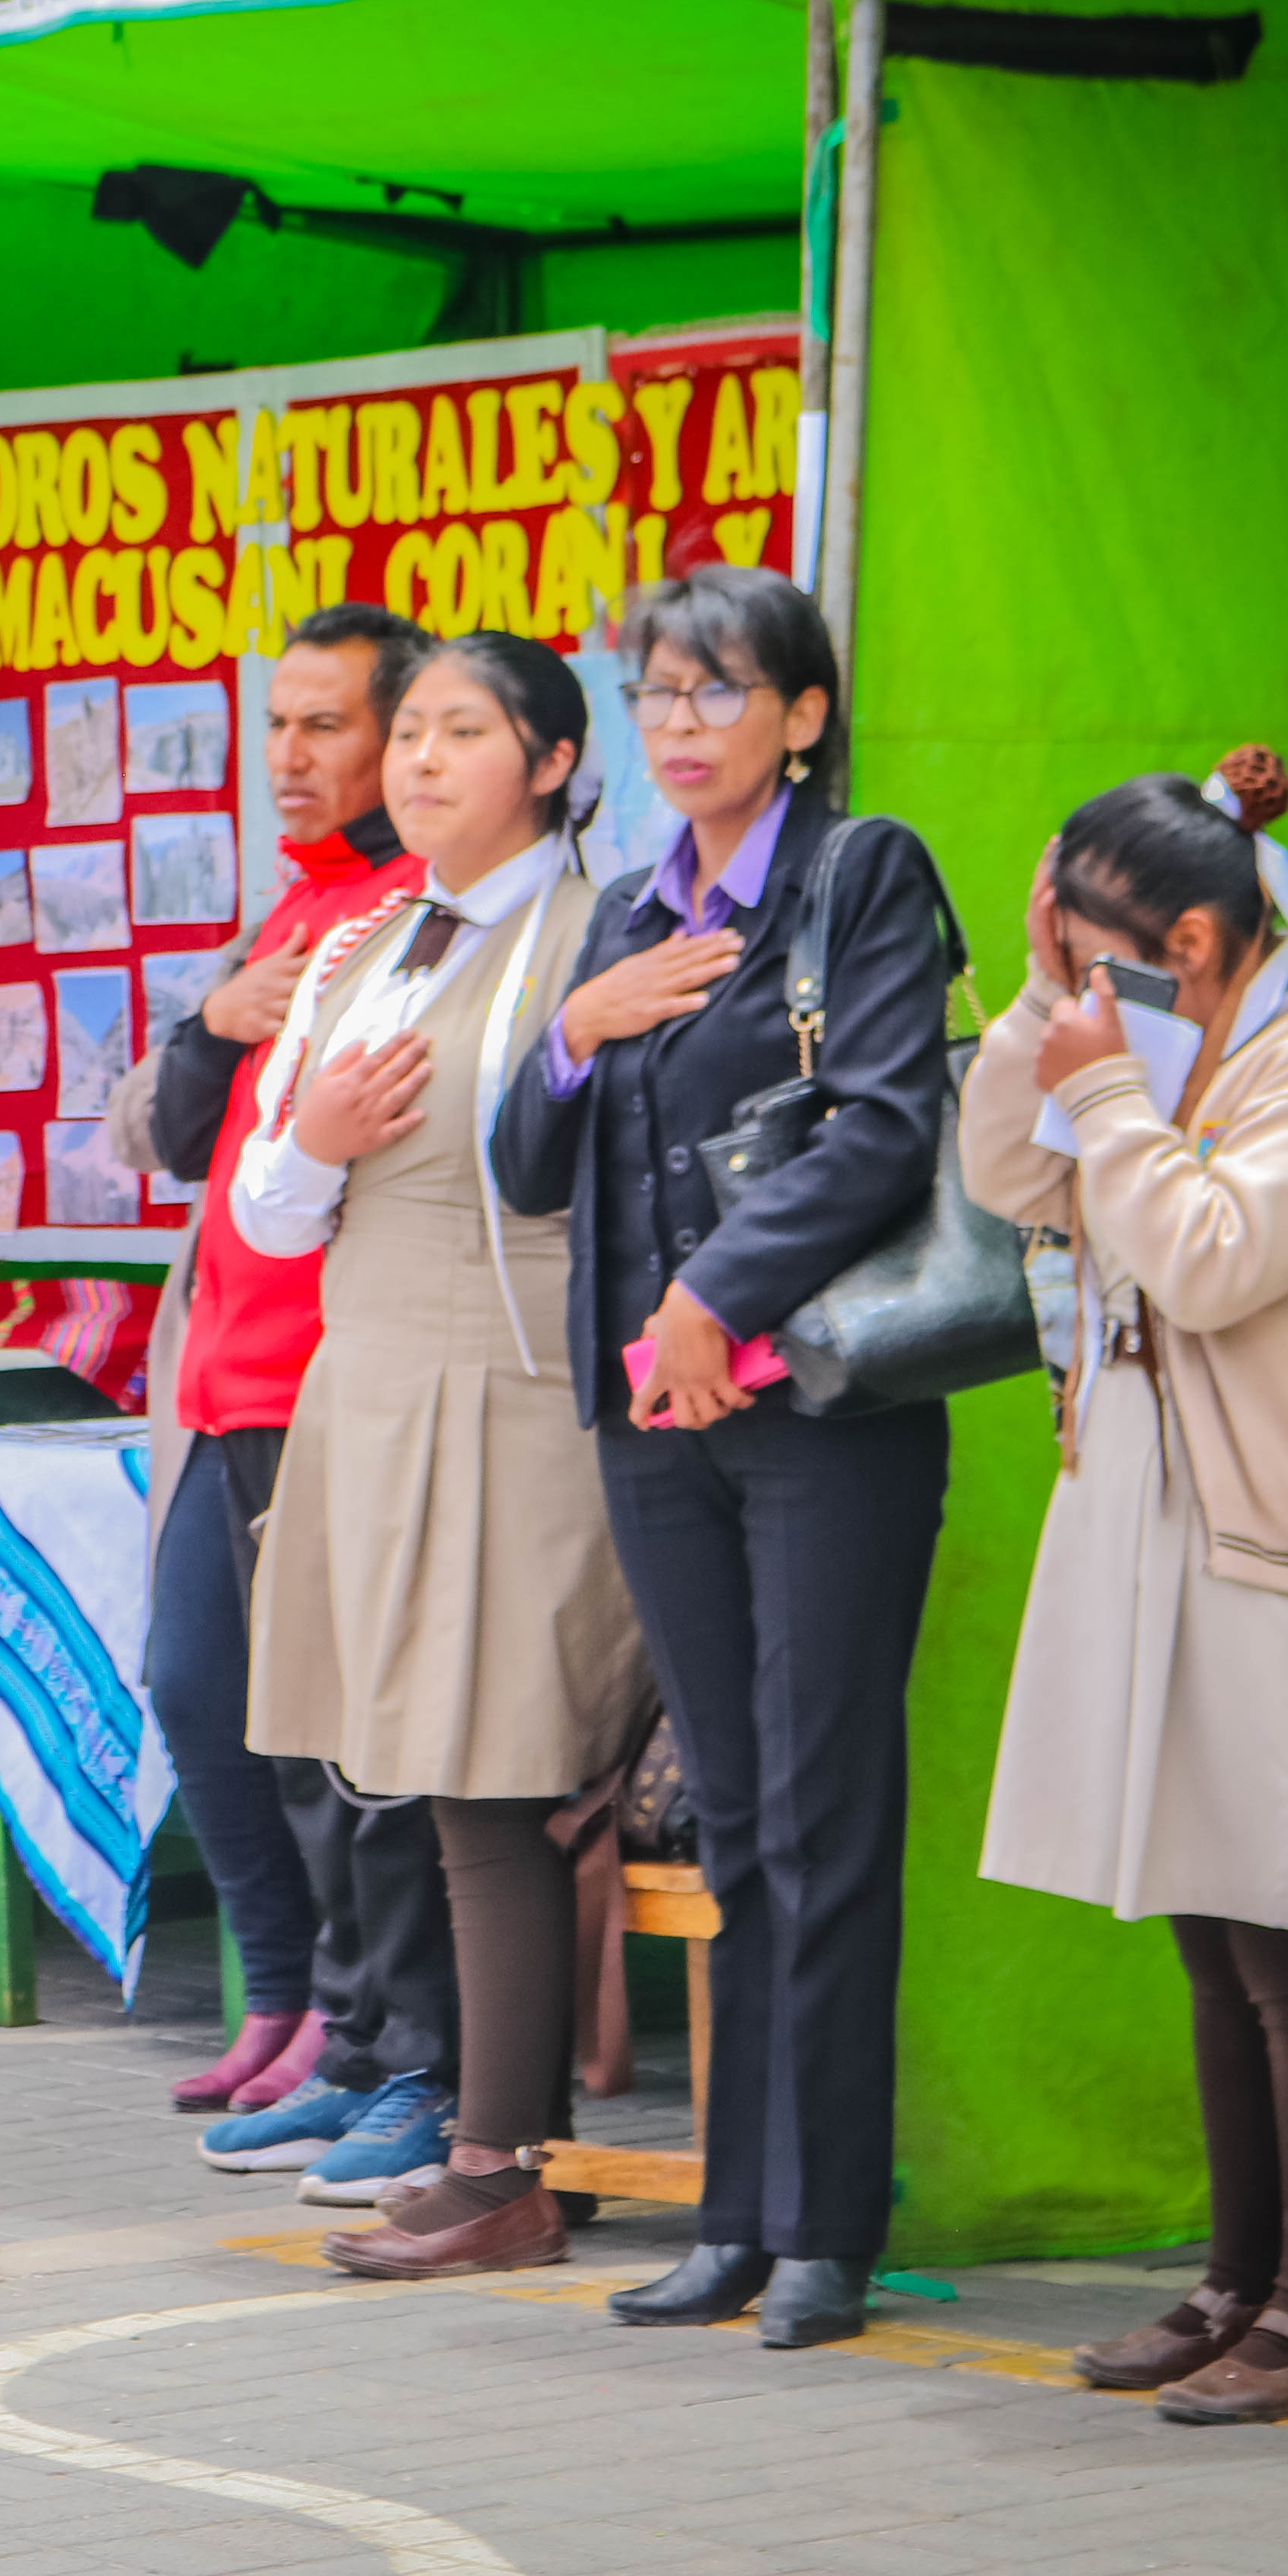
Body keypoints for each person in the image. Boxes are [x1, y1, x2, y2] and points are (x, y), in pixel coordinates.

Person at [485, 567, 957, 2353]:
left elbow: (887, 1125)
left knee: (826, 1818)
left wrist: (710, 1292)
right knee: (740, 1821)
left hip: (819, 1414)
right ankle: (736, 2219)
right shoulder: (619, 911)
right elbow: (537, 1168)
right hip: (658, 1423)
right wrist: (568, 1035)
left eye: (717, 692)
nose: (678, 726)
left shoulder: (860, 877)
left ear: (802, 715)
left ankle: (827, 2223)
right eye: (657, 696)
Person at [961, 750, 1288, 2426]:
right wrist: (1043, 1010)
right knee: (1210, 1926)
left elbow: (1215, 1257)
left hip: (1287, 1539)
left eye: (1097, 955)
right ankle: (1242, 2281)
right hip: (1160, 1522)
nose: (1090, 988)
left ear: (1190, 932)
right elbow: (1006, 1183)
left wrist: (1105, 1094)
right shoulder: (1158, 1019)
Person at [230, 633, 654, 2280]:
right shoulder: (368, 943)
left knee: (496, 1777)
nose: (416, 763)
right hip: (375, 1384)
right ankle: (479, 2137)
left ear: (552, 763)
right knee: (413, 1771)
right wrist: (317, 1141)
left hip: (515, 1384)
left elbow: (564, 1179)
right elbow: (272, 1203)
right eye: (407, 734)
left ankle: (501, 2156)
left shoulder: (597, 930)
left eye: (460, 733)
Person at [123, 609, 456, 2182]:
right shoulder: (299, 908)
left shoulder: (415, 913)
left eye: (326, 725)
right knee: (198, 1689)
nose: (292, 757)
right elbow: (165, 1132)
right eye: (278, 725)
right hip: (217, 1381)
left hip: (331, 1386)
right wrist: (214, 1019)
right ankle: (288, 1996)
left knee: (332, 1745)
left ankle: (360, 2021)